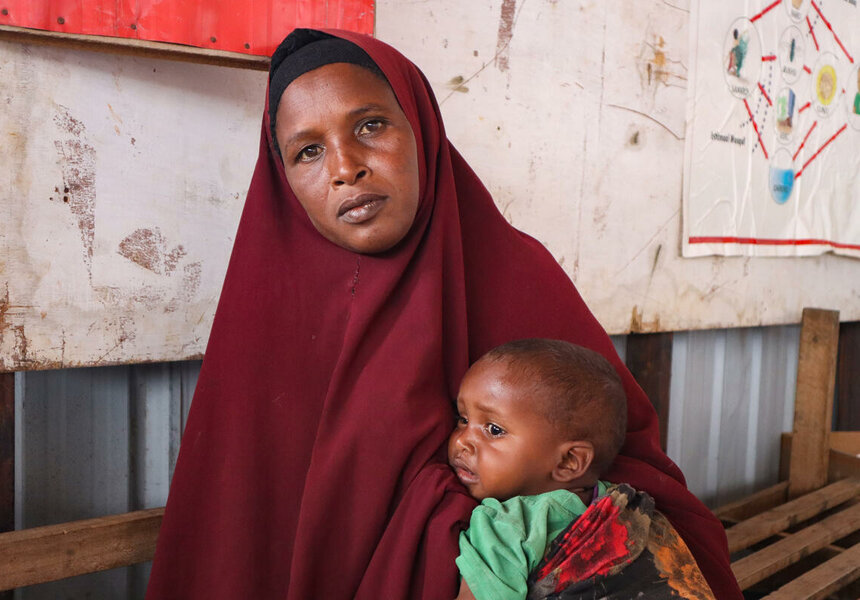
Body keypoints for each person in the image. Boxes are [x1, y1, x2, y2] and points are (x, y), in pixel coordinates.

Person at [146, 28, 740, 599]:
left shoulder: (515, 272)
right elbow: (234, 537)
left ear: (422, 128)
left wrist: (500, 534)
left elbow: (624, 466)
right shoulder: (265, 317)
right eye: (307, 151)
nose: (344, 166)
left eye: (371, 125)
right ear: (284, 179)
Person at [450, 339, 713, 600]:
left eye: (494, 430)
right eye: (462, 420)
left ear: (569, 462)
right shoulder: (622, 505)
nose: (461, 441)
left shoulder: (505, 526)